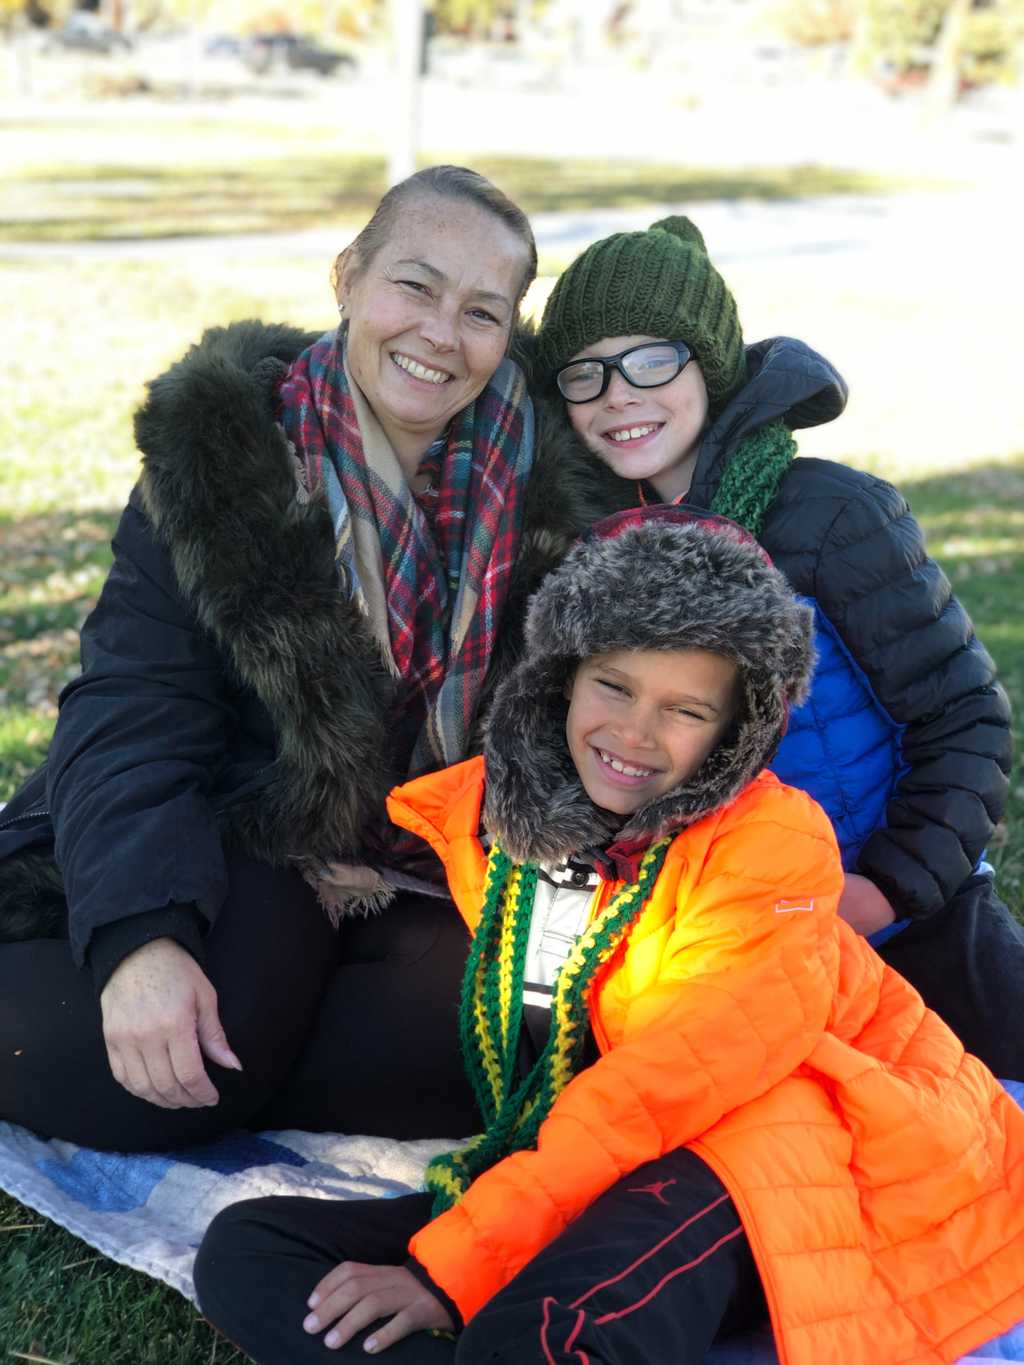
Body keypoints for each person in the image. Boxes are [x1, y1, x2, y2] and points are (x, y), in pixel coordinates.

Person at [193, 508, 1024, 1365]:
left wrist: (452, 1272)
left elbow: (660, 1087)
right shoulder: (505, 815)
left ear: (736, 734)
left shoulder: (771, 847)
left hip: (800, 1143)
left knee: (547, 1336)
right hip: (611, 1152)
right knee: (251, 1250)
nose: (633, 734)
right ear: (560, 677)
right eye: (614, 686)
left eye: (685, 709)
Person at [0, 165, 631, 1151]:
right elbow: (132, 711)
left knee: (513, 1048)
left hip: (430, 860)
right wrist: (139, 941)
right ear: (348, 276)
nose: (438, 334)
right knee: (170, 1062)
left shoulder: (558, 488)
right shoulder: (225, 460)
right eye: (414, 286)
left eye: (481, 312)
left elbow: (699, 398)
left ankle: (266, 1062)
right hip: (236, 825)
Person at [529, 214, 1023, 1079]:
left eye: (652, 360)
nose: (619, 394)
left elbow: (965, 718)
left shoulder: (835, 517)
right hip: (728, 939)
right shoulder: (595, 547)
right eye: (586, 373)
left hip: (901, 913)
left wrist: (887, 890)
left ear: (709, 365)